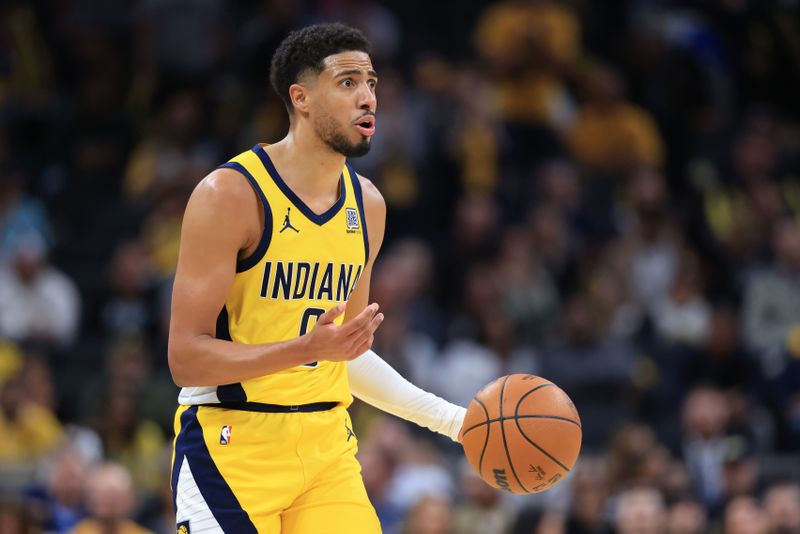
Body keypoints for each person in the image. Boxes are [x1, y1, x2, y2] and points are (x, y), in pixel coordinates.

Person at [168, 23, 466, 533]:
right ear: (300, 97)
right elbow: (185, 357)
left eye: (372, 82)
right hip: (233, 447)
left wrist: (454, 422)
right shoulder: (229, 194)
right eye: (348, 83)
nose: (368, 96)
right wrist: (306, 349)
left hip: (328, 447)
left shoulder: (368, 205)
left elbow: (345, 354)